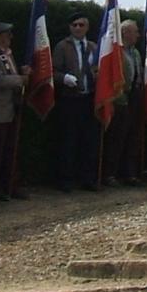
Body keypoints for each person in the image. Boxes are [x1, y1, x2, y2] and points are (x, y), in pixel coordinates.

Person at [0, 21, 30, 198]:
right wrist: (21, 79)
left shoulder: (8, 55)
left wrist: (21, 74)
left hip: (12, 107)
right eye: (7, 35)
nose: (10, 38)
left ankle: (10, 185)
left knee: (10, 150)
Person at [52, 12, 98, 190]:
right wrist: (64, 78)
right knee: (68, 141)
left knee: (89, 141)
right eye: (74, 25)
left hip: (89, 98)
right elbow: (53, 71)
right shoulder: (63, 46)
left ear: (87, 27)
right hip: (70, 99)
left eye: (81, 25)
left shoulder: (94, 47)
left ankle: (87, 178)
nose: (78, 28)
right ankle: (66, 179)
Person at [102, 19, 143, 187]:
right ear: (125, 33)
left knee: (132, 137)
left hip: (134, 97)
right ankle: (109, 173)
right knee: (116, 137)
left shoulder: (136, 53)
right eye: (135, 31)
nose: (138, 35)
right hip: (119, 98)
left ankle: (129, 173)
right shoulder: (116, 51)